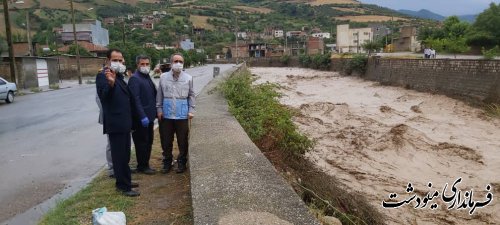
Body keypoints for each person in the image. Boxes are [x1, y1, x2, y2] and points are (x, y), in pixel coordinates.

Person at [96, 49, 139, 197]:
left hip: (124, 123)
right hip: (115, 124)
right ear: (108, 60)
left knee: (125, 155)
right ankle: (123, 186)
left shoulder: (119, 77)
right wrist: (111, 84)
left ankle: (125, 180)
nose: (119, 63)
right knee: (119, 156)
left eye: (121, 60)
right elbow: (103, 96)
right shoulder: (103, 76)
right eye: (115, 60)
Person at [156, 53, 195, 174]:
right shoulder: (163, 77)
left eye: (181, 61)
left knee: (182, 140)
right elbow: (159, 95)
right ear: (171, 63)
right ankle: (167, 161)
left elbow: (191, 95)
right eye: (176, 61)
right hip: (166, 114)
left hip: (182, 114)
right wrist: (159, 109)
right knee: (166, 140)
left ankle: (182, 162)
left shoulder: (188, 78)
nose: (178, 63)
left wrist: (191, 110)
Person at [129, 55, 157, 175]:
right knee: (142, 143)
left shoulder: (147, 77)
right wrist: (142, 116)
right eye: (142, 64)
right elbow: (135, 99)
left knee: (149, 141)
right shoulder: (135, 79)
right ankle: (142, 166)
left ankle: (145, 163)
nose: (145, 66)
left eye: (147, 64)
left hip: (150, 117)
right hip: (141, 119)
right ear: (137, 65)